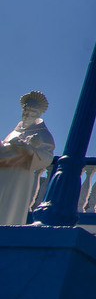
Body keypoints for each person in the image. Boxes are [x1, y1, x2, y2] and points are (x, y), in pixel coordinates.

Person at [0, 91, 56, 225]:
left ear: (39, 114)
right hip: (2, 173)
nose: (27, 115)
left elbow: (47, 157)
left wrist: (29, 149)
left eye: (32, 112)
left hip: (18, 176)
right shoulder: (14, 132)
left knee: (10, 209)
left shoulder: (42, 134)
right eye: (25, 110)